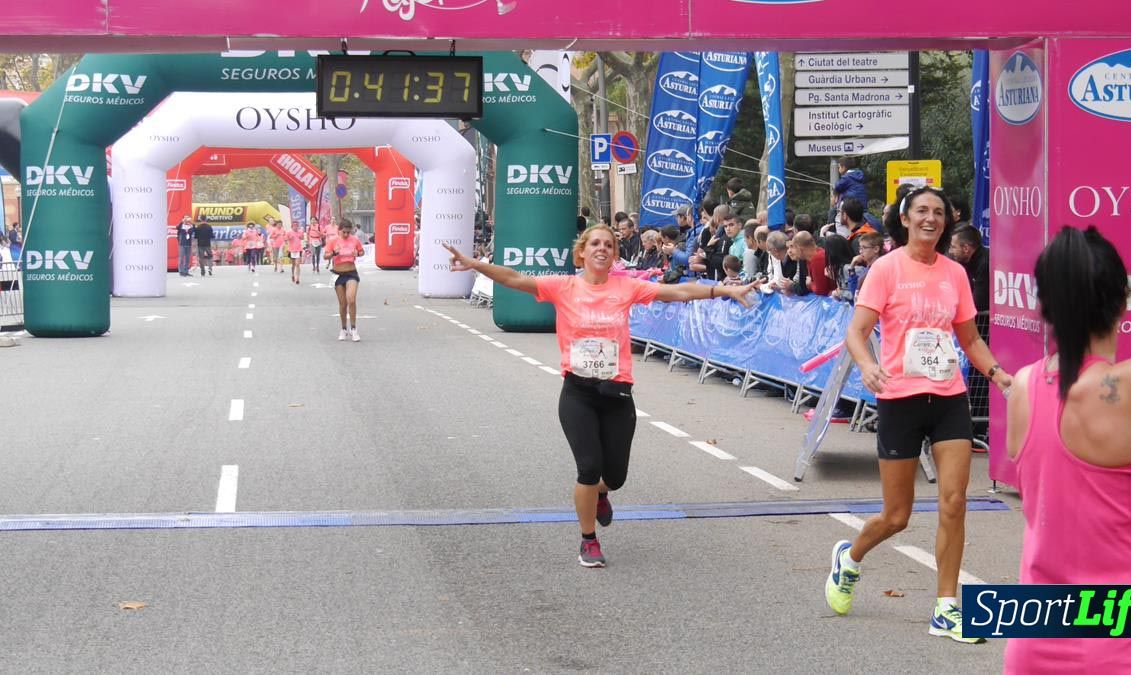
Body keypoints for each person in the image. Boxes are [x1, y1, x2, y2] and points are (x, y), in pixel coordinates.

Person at [442, 225, 762, 568]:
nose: (602, 248)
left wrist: (725, 291)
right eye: (595, 243)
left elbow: (678, 293)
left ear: (614, 254)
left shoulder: (627, 287)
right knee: (588, 469)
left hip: (617, 393)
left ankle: (602, 495)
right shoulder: (563, 287)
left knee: (616, 476)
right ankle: (588, 539)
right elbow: (514, 279)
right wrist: (475, 263)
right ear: (582, 252)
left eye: (608, 245)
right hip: (578, 393)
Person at [1002, 226, 1131, 672]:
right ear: (1124, 300)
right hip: (1129, 648)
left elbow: (1106, 466)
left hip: (1037, 642)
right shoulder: (1127, 387)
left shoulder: (1025, 388)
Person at [826, 185, 1013, 643]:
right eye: (922, 212)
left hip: (948, 397)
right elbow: (857, 331)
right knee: (897, 515)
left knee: (954, 501)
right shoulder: (886, 269)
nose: (931, 219)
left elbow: (969, 339)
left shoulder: (954, 273)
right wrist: (869, 366)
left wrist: (1001, 376)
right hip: (900, 399)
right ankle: (850, 558)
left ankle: (946, 608)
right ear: (906, 220)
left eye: (938, 213)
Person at [325, 219, 365, 342]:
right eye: (344, 232)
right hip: (338, 273)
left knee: (351, 300)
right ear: (339, 231)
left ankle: (354, 329)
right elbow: (325, 255)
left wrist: (357, 253)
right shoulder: (333, 241)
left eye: (349, 232)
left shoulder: (355, 240)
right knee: (343, 304)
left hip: (351, 272)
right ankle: (343, 328)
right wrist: (333, 253)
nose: (347, 234)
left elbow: (362, 251)